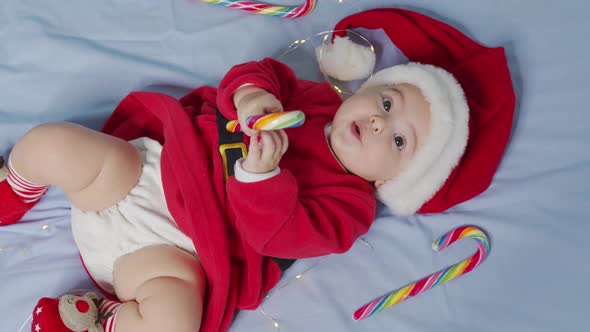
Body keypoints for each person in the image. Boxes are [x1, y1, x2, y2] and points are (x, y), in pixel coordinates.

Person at [0, 8, 515, 332]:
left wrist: (261, 177)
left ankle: (100, 319)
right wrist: (250, 94)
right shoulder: (312, 100)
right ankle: (15, 187)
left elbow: (276, 235)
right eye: (386, 102)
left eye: (401, 139)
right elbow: (256, 74)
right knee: (53, 141)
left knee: (175, 320)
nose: (380, 124)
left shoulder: (350, 208)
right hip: (145, 176)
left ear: (394, 181)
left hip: (176, 254)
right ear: (366, 89)